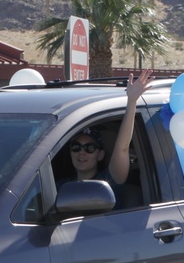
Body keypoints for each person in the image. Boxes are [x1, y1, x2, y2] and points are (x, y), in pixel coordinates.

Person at [60, 69, 154, 201]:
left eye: (90, 148)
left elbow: (123, 148)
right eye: (76, 147)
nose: (82, 152)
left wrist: (132, 102)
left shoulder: (109, 181)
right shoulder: (61, 186)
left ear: (100, 154)